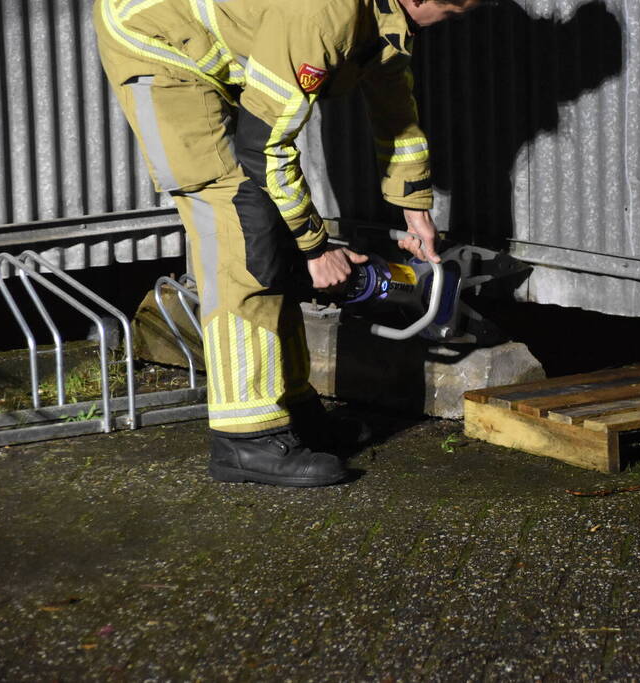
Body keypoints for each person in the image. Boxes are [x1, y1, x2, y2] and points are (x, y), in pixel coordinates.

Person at [93, 0, 482, 487]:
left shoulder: (383, 16)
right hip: (156, 40)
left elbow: (393, 107)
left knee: (271, 232)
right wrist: (317, 247)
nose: (457, 21)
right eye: (454, 13)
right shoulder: (321, 12)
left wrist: (415, 206)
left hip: (204, 43)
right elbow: (264, 148)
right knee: (240, 229)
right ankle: (246, 440)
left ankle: (292, 406)